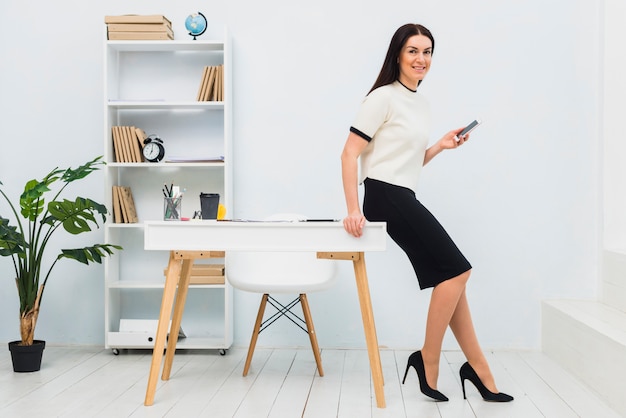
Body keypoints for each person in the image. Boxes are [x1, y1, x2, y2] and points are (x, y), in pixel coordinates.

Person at [340, 23, 513, 402]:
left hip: (403, 191)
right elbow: (350, 153)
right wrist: (353, 209)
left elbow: (406, 162)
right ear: (398, 55)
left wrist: (439, 146)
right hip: (384, 195)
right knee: (458, 270)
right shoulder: (382, 98)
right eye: (413, 51)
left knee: (453, 280)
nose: (421, 59)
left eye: (428, 51)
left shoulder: (421, 103)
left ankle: (479, 370)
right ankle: (427, 359)